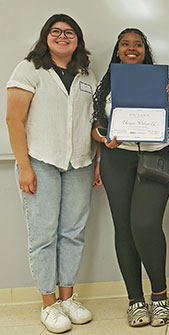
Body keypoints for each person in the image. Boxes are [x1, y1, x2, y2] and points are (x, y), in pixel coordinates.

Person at [6, 14, 96, 334]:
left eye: (68, 32)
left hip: (80, 164)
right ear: (46, 37)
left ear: (77, 39)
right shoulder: (29, 69)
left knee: (72, 233)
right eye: (55, 32)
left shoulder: (86, 74)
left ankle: (67, 296)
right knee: (43, 236)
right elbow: (14, 120)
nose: (62, 36)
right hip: (40, 162)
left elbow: (91, 122)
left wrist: (96, 161)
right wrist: (24, 166)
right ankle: (49, 304)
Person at [92, 28, 169, 327]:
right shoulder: (106, 85)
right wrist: (103, 137)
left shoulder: (162, 82)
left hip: (156, 158)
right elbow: (95, 127)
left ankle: (159, 295)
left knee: (145, 224)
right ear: (117, 51)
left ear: (145, 50)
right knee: (124, 228)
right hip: (117, 160)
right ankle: (135, 300)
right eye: (125, 44)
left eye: (138, 44)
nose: (132, 49)